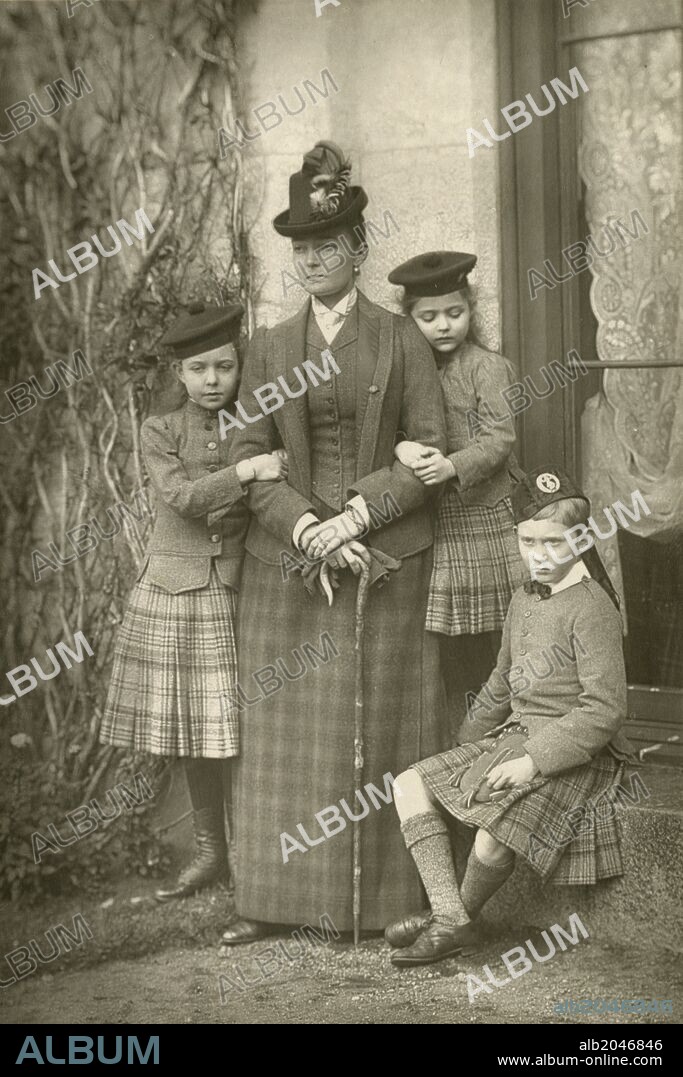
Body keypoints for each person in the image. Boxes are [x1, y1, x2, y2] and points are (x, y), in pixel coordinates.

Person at [222, 141, 449, 945]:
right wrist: (309, 528)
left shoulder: (400, 338)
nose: (312, 260)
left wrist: (355, 518)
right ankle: (270, 898)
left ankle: (386, 905)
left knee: (383, 731)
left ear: (357, 250)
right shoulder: (268, 346)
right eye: (301, 249)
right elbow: (248, 458)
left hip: (384, 561)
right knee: (284, 735)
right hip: (286, 562)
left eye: (327, 246)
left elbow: (429, 451)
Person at [384, 465, 635, 967]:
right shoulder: (523, 598)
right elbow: (502, 680)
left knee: (492, 835)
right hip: (512, 735)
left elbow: (604, 709)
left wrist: (532, 761)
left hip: (573, 752)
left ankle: (449, 921)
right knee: (409, 784)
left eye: (553, 543)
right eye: (528, 542)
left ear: (582, 540)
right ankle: (450, 917)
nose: (539, 556)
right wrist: (466, 746)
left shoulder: (593, 608)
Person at [99, 301, 288, 902]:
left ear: (241, 367)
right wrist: (248, 471)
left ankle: (255, 851)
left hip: (243, 585)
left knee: (251, 722)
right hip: (177, 591)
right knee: (193, 728)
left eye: (225, 368)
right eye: (199, 369)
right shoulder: (160, 430)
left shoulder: (257, 423)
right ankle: (210, 852)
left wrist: (261, 465)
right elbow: (181, 498)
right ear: (178, 373)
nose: (212, 381)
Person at [388, 252, 527, 735]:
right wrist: (401, 446)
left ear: (471, 310)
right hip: (435, 523)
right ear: (409, 319)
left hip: (484, 518)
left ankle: (505, 736)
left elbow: (499, 439)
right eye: (428, 317)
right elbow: (389, 427)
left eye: (454, 312)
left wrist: (451, 465)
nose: (444, 325)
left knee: (497, 640)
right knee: (447, 646)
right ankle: (459, 742)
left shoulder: (486, 367)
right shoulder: (406, 372)